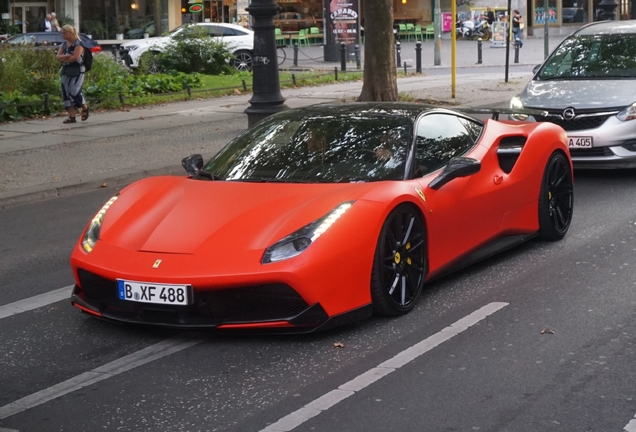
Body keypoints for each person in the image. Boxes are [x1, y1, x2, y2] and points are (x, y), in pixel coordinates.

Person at [56, 25, 89, 124]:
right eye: (62, 33)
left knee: (74, 91)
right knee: (66, 93)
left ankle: (84, 107)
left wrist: (64, 59)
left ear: (70, 33)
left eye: (64, 33)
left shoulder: (78, 44)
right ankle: (71, 116)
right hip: (66, 70)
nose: (62, 35)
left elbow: (75, 57)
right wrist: (67, 56)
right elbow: (57, 57)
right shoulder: (63, 45)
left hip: (77, 70)